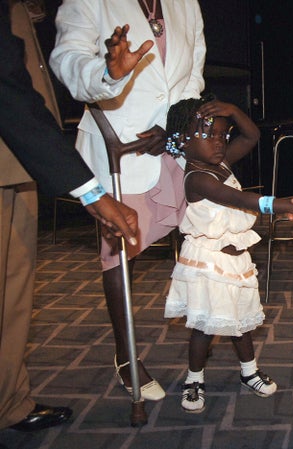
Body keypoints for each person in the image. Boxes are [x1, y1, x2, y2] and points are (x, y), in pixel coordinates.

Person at [49, 0, 206, 401]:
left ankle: (219, 325)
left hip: (170, 143)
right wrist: (107, 72)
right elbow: (67, 60)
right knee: (118, 251)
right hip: (121, 146)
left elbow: (192, 74)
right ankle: (126, 353)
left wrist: (174, 129)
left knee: (208, 231)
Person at [1, 0, 138, 432]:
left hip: (20, 163)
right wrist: (92, 192)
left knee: (13, 294)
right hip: (14, 153)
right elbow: (8, 88)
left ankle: (10, 403)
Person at [163, 95, 293, 413]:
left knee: (241, 322)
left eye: (222, 135)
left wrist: (233, 111)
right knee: (205, 327)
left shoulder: (220, 163)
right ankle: (194, 379)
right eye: (207, 135)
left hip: (236, 259)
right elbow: (245, 201)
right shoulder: (199, 177)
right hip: (209, 261)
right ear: (182, 142)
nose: (218, 142)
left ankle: (249, 372)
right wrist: (288, 205)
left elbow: (252, 136)